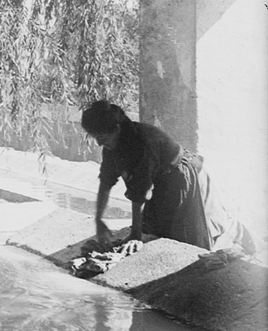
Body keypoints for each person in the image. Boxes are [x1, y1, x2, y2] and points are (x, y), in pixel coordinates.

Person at [81, 100, 258, 255]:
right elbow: (105, 183)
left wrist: (136, 236)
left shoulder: (142, 142)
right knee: (160, 229)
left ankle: (249, 243)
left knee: (197, 232)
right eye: (96, 138)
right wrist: (98, 219)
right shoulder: (112, 147)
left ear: (117, 129)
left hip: (183, 177)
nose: (99, 143)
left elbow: (140, 192)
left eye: (102, 137)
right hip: (161, 182)